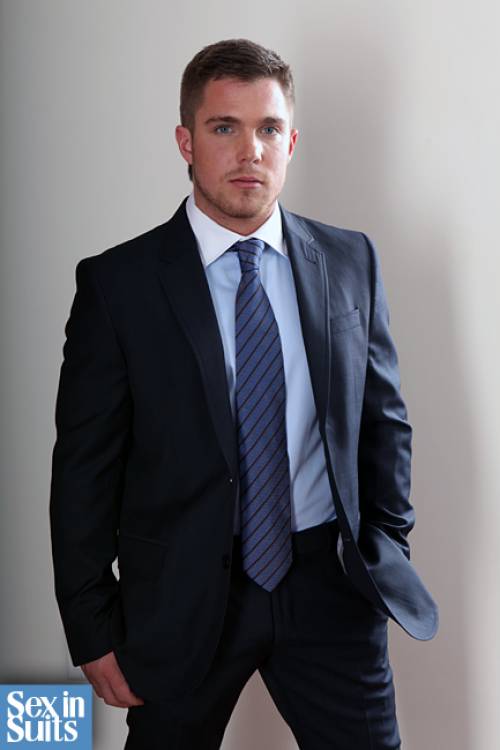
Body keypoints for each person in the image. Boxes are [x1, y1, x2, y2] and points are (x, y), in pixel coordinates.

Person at [49, 38, 438, 750]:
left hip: (329, 588)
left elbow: (384, 424)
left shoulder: (350, 260)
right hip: (181, 596)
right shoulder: (119, 285)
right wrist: (91, 626)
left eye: (268, 129)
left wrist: (384, 547)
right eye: (224, 127)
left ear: (291, 142)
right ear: (186, 142)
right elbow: (84, 471)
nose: (249, 151)